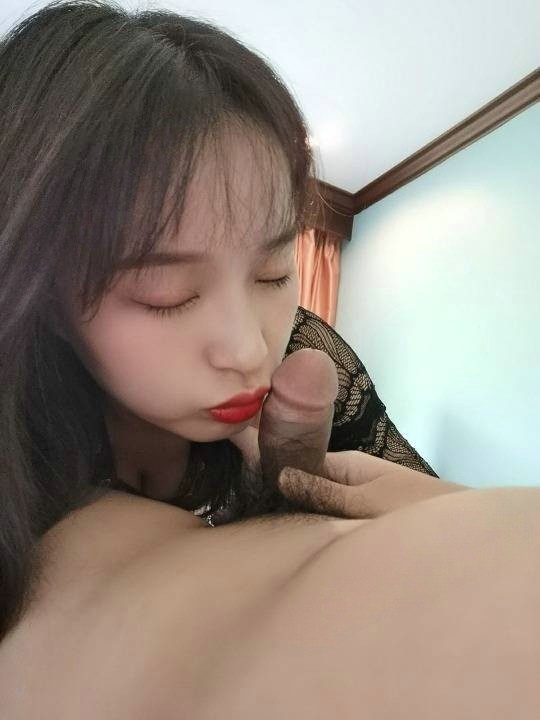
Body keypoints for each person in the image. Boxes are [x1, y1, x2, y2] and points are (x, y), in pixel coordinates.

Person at [0, 3, 538, 718]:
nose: (251, 349)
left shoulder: (310, 356)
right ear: (39, 292)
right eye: (165, 293)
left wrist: (445, 511)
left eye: (273, 272)